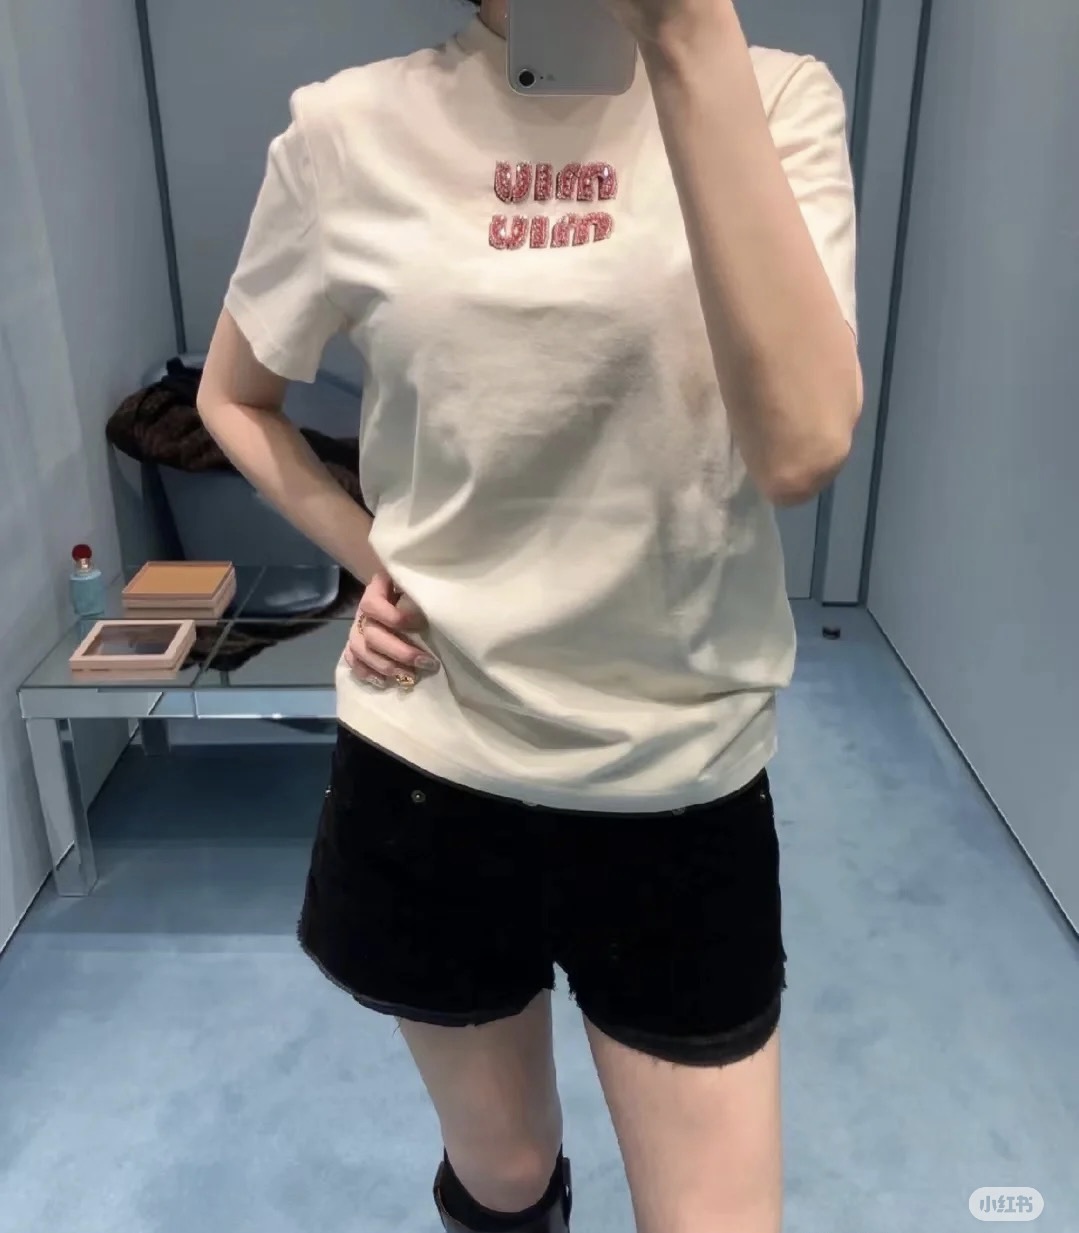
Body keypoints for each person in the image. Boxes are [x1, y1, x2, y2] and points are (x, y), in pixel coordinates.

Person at [198, 0, 861, 1228]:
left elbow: (800, 446)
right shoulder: (348, 129)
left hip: (676, 772)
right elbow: (232, 397)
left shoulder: (768, 98)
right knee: (503, 1178)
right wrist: (372, 554)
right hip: (431, 760)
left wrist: (687, 34)